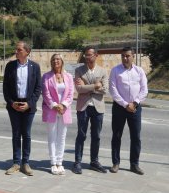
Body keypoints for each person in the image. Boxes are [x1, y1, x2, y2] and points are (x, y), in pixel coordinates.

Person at [3, 41, 41, 176]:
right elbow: (5, 88)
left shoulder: (35, 67)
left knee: (27, 134)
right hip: (14, 105)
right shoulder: (10, 66)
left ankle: (25, 163)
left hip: (28, 105)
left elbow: (38, 88)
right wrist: (11, 102)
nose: (16, 51)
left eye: (19, 49)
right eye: (16, 49)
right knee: (16, 134)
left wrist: (29, 104)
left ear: (27, 52)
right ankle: (16, 163)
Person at [109, 47, 148, 175]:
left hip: (135, 108)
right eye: (123, 56)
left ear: (133, 56)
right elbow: (113, 90)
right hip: (119, 107)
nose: (125, 58)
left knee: (136, 137)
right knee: (116, 136)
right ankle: (116, 163)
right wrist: (126, 104)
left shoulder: (139, 71)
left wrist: (135, 103)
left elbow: (144, 90)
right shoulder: (115, 70)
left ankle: (134, 164)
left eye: (127, 56)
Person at [72, 46, 108, 174]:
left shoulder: (103, 71)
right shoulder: (79, 70)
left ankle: (94, 162)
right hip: (83, 107)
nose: (87, 57)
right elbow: (79, 89)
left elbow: (105, 90)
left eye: (90, 55)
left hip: (98, 107)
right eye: (86, 55)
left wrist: (86, 86)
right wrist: (95, 86)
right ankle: (77, 162)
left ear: (96, 55)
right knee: (81, 135)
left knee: (96, 136)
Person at [42, 53, 74, 175]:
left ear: (62, 62)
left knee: (62, 137)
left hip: (64, 110)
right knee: (52, 137)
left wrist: (63, 105)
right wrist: (55, 105)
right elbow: (46, 94)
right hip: (52, 110)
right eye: (54, 59)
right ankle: (53, 162)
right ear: (51, 62)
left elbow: (71, 93)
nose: (56, 61)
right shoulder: (46, 76)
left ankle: (60, 162)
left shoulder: (68, 76)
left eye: (58, 59)